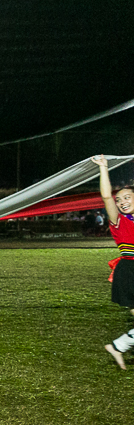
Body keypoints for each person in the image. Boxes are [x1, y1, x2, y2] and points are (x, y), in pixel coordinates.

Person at [95, 155, 134, 369]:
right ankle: (118, 346)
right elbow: (106, 197)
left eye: (127, 197)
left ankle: (118, 346)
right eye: (120, 200)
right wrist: (103, 168)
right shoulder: (119, 222)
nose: (121, 202)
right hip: (129, 272)